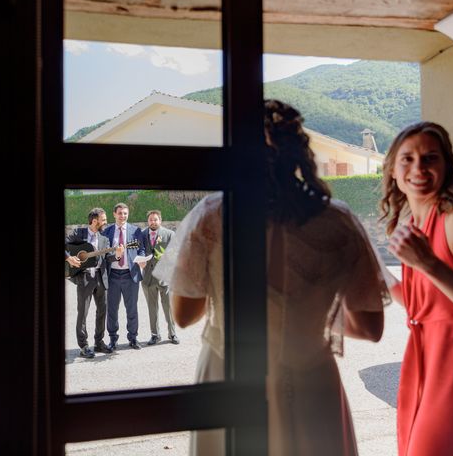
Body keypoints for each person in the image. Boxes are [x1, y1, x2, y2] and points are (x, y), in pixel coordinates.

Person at [155, 99, 389, 456]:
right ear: (298, 154)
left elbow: (185, 315)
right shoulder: (337, 220)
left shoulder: (213, 214)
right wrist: (309, 314)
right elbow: (371, 327)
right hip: (311, 380)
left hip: (229, 375)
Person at [381, 121, 453, 456]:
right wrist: (379, 280)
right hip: (424, 362)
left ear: (446, 165)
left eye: (430, 158)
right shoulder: (412, 224)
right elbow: (429, 307)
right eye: (408, 159)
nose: (418, 168)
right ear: (392, 170)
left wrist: (429, 264)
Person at [65, 208, 119, 358]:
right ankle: (84, 346)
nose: (106, 222)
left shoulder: (104, 238)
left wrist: (118, 256)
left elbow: (109, 258)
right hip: (84, 278)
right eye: (104, 219)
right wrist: (69, 258)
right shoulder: (79, 233)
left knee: (102, 312)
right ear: (94, 221)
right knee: (83, 312)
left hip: (101, 279)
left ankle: (99, 342)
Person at [102, 203, 145, 350]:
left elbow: (142, 249)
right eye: (120, 213)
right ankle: (113, 339)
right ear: (114, 214)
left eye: (125, 213)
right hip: (112, 275)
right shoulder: (106, 232)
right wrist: (116, 256)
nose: (123, 216)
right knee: (112, 310)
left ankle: (133, 338)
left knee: (132, 309)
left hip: (130, 274)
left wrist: (143, 259)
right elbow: (104, 256)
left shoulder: (136, 231)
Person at [140, 210, 178, 345]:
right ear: (148, 221)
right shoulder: (142, 234)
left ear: (160, 220)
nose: (153, 222)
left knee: (168, 307)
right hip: (147, 278)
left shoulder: (169, 234)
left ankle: (172, 333)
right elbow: (139, 250)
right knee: (152, 308)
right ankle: (155, 335)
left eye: (155, 219)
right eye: (150, 220)